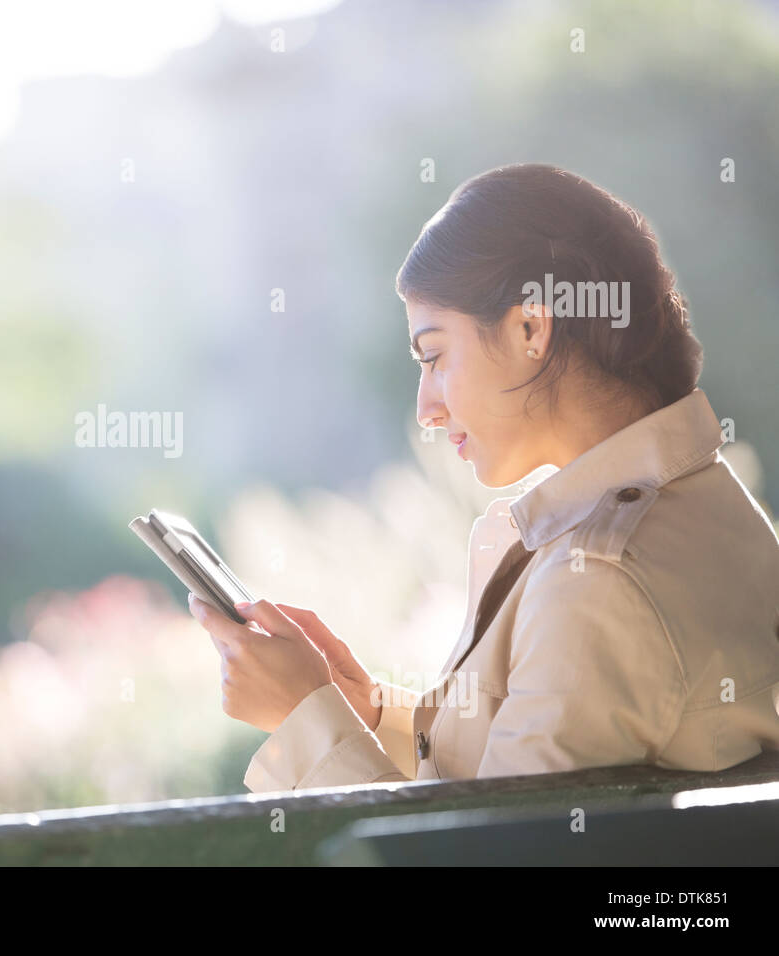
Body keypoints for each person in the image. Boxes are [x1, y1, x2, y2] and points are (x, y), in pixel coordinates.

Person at [188, 163, 779, 790]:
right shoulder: (710, 505)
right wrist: (364, 710)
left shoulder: (600, 580)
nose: (426, 408)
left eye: (436, 356)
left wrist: (304, 717)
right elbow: (523, 778)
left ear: (532, 328)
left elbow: (485, 851)